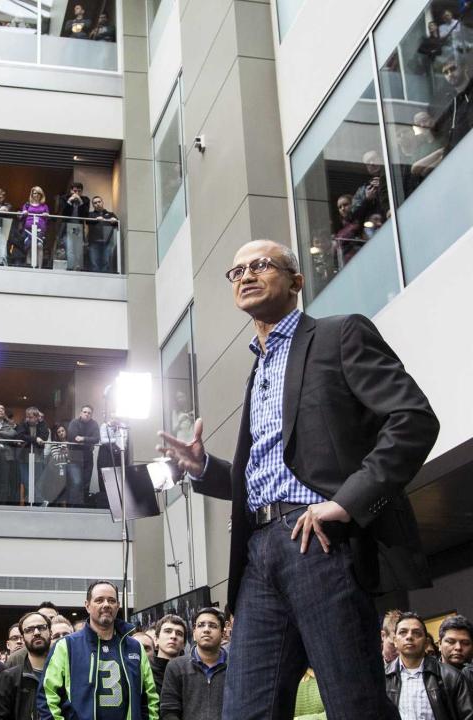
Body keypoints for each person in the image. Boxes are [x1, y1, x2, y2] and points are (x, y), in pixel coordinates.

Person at [157, 239, 440, 719]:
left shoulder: (339, 334)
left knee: (354, 705)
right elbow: (272, 471)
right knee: (245, 711)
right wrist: (204, 469)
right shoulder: (258, 367)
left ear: (296, 281)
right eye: (237, 270)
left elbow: (413, 419)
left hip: (321, 543)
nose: (246, 274)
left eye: (261, 265)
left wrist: (347, 501)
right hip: (257, 554)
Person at [38, 580, 158, 720]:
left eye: (111, 600)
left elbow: (150, 699)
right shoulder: (66, 646)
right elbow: (48, 697)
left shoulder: (135, 648)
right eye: (99, 600)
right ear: (87, 606)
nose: (106, 604)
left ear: (118, 606)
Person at [384, 612, 473, 720]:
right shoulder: (383, 677)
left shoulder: (451, 676)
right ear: (395, 641)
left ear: (426, 643)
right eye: (403, 632)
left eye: (416, 633)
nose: (409, 636)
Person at [159, 607, 227, 720]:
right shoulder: (176, 667)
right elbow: (169, 711)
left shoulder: (235, 666)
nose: (206, 630)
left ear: (223, 633)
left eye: (212, 626)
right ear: (194, 633)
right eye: (201, 625)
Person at [0, 611, 51, 720]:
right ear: (23, 638)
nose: (36, 632)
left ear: (51, 632)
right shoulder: (9, 678)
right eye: (29, 630)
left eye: (41, 627)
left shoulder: (67, 672)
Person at [65, 405, 99, 507]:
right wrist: (88, 440)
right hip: (75, 456)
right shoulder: (74, 422)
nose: (87, 414)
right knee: (76, 482)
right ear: (81, 413)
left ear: (91, 415)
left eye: (89, 413)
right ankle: (72, 508)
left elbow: (96, 439)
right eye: (85, 412)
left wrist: (83, 439)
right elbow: (72, 437)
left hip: (88, 456)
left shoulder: (94, 424)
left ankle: (82, 507)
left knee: (86, 482)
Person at [16, 407, 48, 505]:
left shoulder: (43, 424)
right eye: (27, 417)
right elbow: (20, 435)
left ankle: (37, 503)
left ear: (37, 417)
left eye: (31, 417)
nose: (29, 419)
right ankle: (40, 501)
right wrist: (35, 439)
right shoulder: (23, 424)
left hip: (38, 456)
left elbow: (44, 437)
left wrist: (31, 439)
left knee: (37, 481)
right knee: (25, 480)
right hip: (23, 456)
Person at [150, 615, 187, 697]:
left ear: (184, 644)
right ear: (156, 639)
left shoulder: (190, 671)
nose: (173, 636)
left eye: (179, 634)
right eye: (168, 631)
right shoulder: (146, 671)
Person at [58, 182, 89, 271]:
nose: (76, 193)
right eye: (75, 191)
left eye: (79, 191)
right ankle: (70, 268)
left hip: (77, 228)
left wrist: (80, 201)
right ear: (71, 190)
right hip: (66, 228)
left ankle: (77, 267)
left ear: (82, 191)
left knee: (78, 249)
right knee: (69, 248)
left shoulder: (85, 200)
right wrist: (69, 201)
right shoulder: (64, 198)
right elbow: (64, 213)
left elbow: (85, 215)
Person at [19, 188, 49, 268]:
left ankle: (39, 268)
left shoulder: (44, 206)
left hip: (40, 229)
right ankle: (29, 267)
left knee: (39, 245)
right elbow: (21, 217)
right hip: (28, 229)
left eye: (38, 193)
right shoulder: (27, 205)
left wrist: (46, 215)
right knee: (29, 247)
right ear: (32, 194)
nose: (36, 195)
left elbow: (47, 219)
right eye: (34, 193)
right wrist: (24, 213)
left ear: (41, 195)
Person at [87, 197, 118, 273]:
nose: (97, 204)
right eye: (95, 203)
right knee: (94, 264)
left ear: (102, 202)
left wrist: (115, 221)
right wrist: (95, 219)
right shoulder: (90, 214)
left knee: (106, 263)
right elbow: (87, 221)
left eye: (99, 202)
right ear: (93, 205)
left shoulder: (111, 214)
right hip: (93, 243)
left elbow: (118, 224)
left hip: (107, 243)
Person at [438, 615, 473, 682]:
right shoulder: (428, 676)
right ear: (439, 644)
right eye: (451, 642)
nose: (458, 647)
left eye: (465, 643)